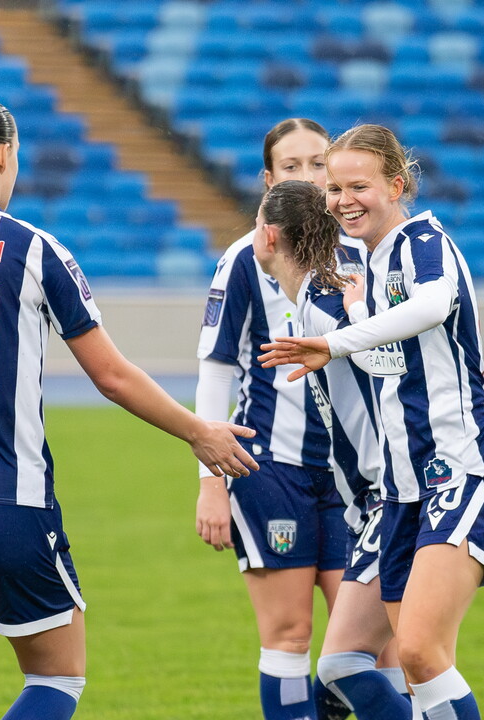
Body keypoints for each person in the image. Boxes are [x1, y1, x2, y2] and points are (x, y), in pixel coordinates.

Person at [0, 90, 258, 720]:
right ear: (3, 156)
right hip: (6, 502)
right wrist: (198, 432)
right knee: (56, 682)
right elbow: (112, 377)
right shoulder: (35, 249)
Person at [259, 124, 484, 720]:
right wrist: (350, 324)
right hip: (402, 493)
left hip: (461, 470)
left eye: (359, 186)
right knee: (375, 664)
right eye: (333, 189)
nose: (344, 200)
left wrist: (337, 340)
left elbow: (430, 306)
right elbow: (387, 362)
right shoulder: (364, 268)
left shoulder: (424, 241)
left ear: (397, 185)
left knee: (423, 652)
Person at [194, 119, 355, 720]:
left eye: (320, 164)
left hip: (352, 478)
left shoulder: (360, 253)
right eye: (293, 167)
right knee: (290, 633)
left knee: (366, 637)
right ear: (269, 181)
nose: (309, 177)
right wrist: (211, 481)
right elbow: (215, 370)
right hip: (269, 470)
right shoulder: (243, 259)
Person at [251, 179, 413, 720]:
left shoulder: (324, 305)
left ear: (269, 236)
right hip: (375, 498)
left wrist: (361, 318)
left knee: (350, 665)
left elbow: (387, 357)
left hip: (387, 494)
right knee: (364, 662)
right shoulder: (316, 299)